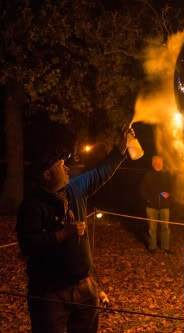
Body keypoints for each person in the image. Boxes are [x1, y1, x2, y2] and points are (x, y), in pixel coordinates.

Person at [16, 128, 131, 333]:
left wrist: (120, 150)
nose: (67, 169)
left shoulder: (74, 190)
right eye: (61, 165)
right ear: (47, 174)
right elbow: (28, 244)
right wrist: (62, 234)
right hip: (50, 294)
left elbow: (100, 172)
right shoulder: (32, 205)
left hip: (84, 287)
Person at [140, 155, 173, 254]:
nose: (158, 163)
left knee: (165, 228)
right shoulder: (148, 175)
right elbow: (142, 189)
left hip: (164, 206)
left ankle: (165, 248)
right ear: (152, 163)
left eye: (160, 162)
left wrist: (169, 194)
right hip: (151, 207)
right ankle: (152, 247)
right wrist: (148, 200)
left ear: (162, 163)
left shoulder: (167, 174)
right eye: (155, 162)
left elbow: (172, 187)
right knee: (152, 228)